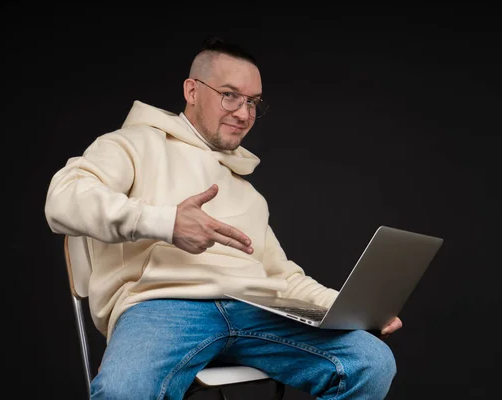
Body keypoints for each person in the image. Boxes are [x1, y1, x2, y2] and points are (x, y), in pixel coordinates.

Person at [44, 37, 402, 399]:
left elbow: (282, 277)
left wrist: (352, 310)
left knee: (370, 361)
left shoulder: (248, 194)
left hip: (255, 312)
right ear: (192, 90)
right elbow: (63, 200)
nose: (244, 113)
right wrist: (167, 223)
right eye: (230, 95)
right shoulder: (133, 144)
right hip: (163, 308)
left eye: (252, 102)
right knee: (123, 391)